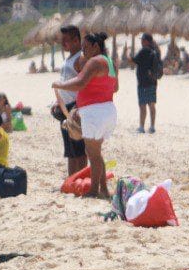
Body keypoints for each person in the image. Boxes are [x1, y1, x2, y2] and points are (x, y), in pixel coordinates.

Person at [53, 31, 117, 199]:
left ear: (96, 46)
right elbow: (115, 88)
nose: (83, 52)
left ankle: (94, 190)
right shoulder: (110, 62)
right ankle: (103, 189)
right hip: (107, 110)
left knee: (92, 153)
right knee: (96, 152)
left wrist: (60, 85)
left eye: (86, 48)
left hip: (95, 113)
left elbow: (80, 83)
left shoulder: (95, 61)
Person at [51, 25, 88, 179]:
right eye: (62, 40)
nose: (63, 43)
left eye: (66, 40)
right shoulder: (69, 58)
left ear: (76, 40)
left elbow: (84, 84)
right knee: (70, 150)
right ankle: (72, 181)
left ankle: (81, 180)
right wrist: (56, 101)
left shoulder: (81, 58)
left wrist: (79, 107)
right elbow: (65, 82)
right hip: (64, 108)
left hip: (75, 107)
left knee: (79, 148)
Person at [132, 33, 162, 134]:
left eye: (142, 40)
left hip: (143, 82)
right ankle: (152, 126)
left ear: (146, 41)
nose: (141, 42)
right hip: (153, 81)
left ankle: (141, 127)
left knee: (142, 105)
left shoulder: (144, 50)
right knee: (152, 105)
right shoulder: (156, 51)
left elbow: (134, 60)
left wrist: (128, 54)